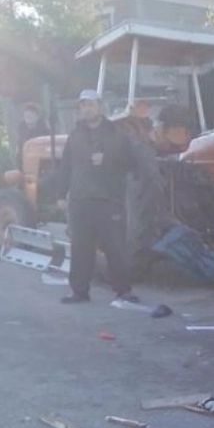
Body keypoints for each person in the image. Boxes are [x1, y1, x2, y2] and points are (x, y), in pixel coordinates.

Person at [51, 90, 151, 304]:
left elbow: (131, 163)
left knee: (115, 248)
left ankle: (123, 291)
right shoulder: (75, 135)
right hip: (80, 201)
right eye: (83, 105)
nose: (87, 109)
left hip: (109, 201)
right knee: (80, 249)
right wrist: (61, 194)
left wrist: (107, 160)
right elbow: (66, 166)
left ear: (100, 106)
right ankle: (79, 292)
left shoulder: (116, 133)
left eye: (91, 105)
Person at [16, 103, 50, 168]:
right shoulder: (21, 131)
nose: (28, 119)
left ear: (37, 116)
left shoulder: (45, 130)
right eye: (26, 116)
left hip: (41, 164)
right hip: (25, 164)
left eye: (30, 116)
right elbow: (19, 150)